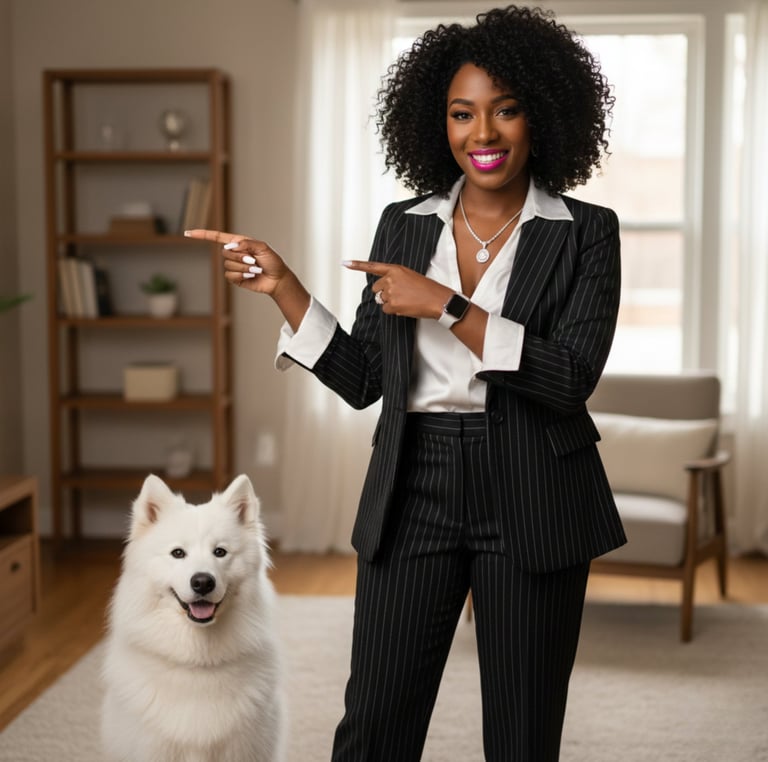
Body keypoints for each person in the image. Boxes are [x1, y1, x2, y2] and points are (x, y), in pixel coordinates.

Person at [186, 5, 626, 760]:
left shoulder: (588, 231)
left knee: (523, 735)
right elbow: (365, 379)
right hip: (413, 481)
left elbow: (570, 379)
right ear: (437, 123)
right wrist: (287, 287)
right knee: (376, 725)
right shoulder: (404, 224)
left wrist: (450, 306)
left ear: (543, 116)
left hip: (533, 484)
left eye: (505, 111)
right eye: (462, 114)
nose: (482, 134)